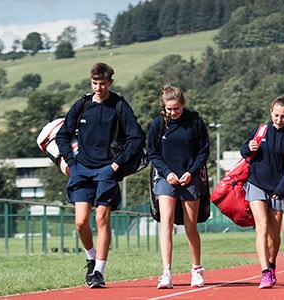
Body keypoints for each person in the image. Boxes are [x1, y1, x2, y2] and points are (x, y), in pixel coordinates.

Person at [55, 63, 144, 288]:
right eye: (95, 83)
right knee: (80, 222)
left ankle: (99, 272)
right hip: (81, 169)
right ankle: (91, 257)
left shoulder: (120, 106)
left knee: (101, 218)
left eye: (102, 83)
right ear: (91, 81)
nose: (98, 87)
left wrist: (116, 165)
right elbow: (62, 136)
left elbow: (136, 138)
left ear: (110, 82)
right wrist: (72, 164)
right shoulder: (82, 105)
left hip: (107, 170)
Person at [146, 84, 210, 289]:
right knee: (166, 222)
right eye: (169, 109)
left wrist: (190, 172)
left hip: (190, 177)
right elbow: (152, 152)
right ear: (163, 106)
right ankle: (166, 273)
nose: (173, 112)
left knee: (191, 227)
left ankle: (197, 269)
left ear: (183, 104)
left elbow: (204, 151)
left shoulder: (195, 122)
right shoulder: (158, 124)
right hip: (166, 177)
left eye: (177, 108)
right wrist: (167, 173)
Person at [241, 95, 284, 289]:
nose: (279, 119)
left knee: (274, 236)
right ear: (271, 112)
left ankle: (272, 264)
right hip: (256, 183)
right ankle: (265, 272)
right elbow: (245, 152)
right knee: (262, 227)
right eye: (276, 115)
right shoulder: (261, 130)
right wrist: (247, 147)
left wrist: (281, 189)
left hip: (278, 189)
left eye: (283, 116)